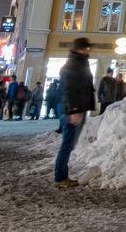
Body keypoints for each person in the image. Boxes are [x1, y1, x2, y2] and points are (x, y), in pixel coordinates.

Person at [55, 37, 96, 187]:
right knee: (67, 144)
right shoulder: (75, 64)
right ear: (81, 48)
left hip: (78, 108)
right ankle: (60, 178)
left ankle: (61, 176)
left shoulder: (79, 62)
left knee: (69, 144)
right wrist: (73, 110)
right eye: (87, 48)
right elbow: (69, 89)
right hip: (74, 109)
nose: (88, 51)